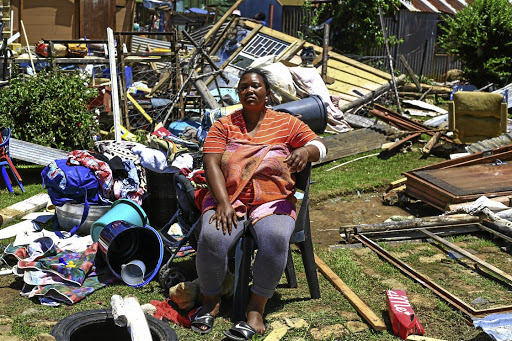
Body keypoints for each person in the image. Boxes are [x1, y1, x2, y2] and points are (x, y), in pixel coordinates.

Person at [191, 68, 327, 339]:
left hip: (273, 199)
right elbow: (211, 163)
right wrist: (223, 202)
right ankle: (211, 300)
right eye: (243, 87)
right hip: (230, 198)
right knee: (211, 237)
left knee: (275, 238)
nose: (249, 91)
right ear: (238, 93)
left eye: (255, 86)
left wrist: (304, 150)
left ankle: (256, 308)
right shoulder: (224, 125)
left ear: (267, 92)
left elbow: (320, 146)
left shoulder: (287, 123)